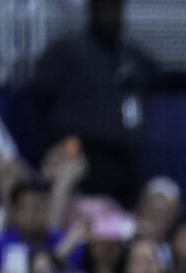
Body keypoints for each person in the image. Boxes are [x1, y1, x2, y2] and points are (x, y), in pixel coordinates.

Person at [29, 0, 157, 206]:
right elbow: (38, 99)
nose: (111, 15)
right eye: (105, 8)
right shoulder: (66, 52)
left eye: (116, 9)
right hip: (80, 154)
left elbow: (161, 78)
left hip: (123, 157)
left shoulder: (131, 57)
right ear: (92, 11)